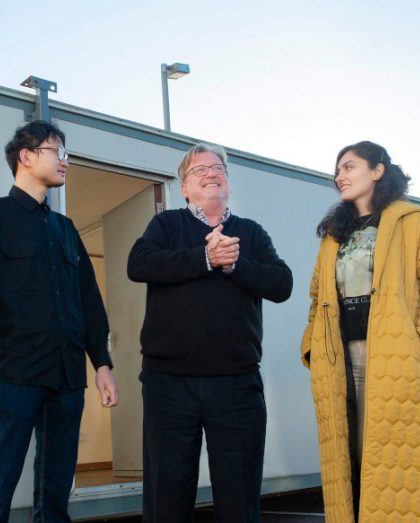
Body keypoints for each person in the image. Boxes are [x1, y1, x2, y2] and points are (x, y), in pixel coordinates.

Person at [0, 121, 118, 523]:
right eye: (56, 151)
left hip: (66, 378)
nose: (65, 161)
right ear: (26, 157)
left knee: (55, 495)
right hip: (14, 375)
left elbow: (89, 301)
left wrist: (101, 362)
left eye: (66, 153)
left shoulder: (65, 230)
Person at [128, 143, 293, 523]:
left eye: (218, 168)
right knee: (167, 495)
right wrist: (204, 258)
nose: (212, 173)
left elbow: (281, 284)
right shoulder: (166, 225)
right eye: (199, 170)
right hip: (168, 384)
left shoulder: (250, 234)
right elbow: (139, 264)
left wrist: (234, 263)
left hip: (236, 384)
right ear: (184, 188)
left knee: (239, 497)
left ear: (229, 185)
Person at [300, 141, 420, 521]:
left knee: (400, 458)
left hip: (395, 355)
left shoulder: (409, 221)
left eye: (350, 167)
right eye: (337, 170)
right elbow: (316, 297)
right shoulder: (333, 235)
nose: (340, 176)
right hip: (340, 357)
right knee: (351, 455)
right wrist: (311, 346)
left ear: (378, 171)